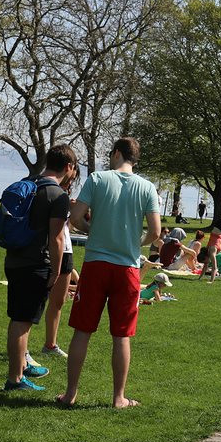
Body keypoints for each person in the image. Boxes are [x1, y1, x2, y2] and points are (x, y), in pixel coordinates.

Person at [58, 137, 161, 409]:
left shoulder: (97, 179)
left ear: (116, 153)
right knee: (121, 335)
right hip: (127, 268)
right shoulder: (147, 187)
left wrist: (94, 231)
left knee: (82, 331)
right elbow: (155, 231)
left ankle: (70, 394)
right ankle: (119, 398)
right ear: (135, 160)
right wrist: (135, 242)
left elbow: (76, 217)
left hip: (95, 265)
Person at [3, 145, 77, 393]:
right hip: (35, 264)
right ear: (68, 167)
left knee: (18, 318)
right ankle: (15, 379)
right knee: (22, 322)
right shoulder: (57, 194)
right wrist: (56, 272)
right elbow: (56, 238)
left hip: (13, 258)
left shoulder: (27, 183)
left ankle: (20, 368)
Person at [41, 169, 79, 358]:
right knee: (37, 302)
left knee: (59, 301)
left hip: (66, 249)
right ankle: (24, 351)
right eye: (72, 176)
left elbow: (67, 228)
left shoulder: (63, 196)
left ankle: (50, 344)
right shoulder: (47, 191)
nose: (72, 180)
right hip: (50, 250)